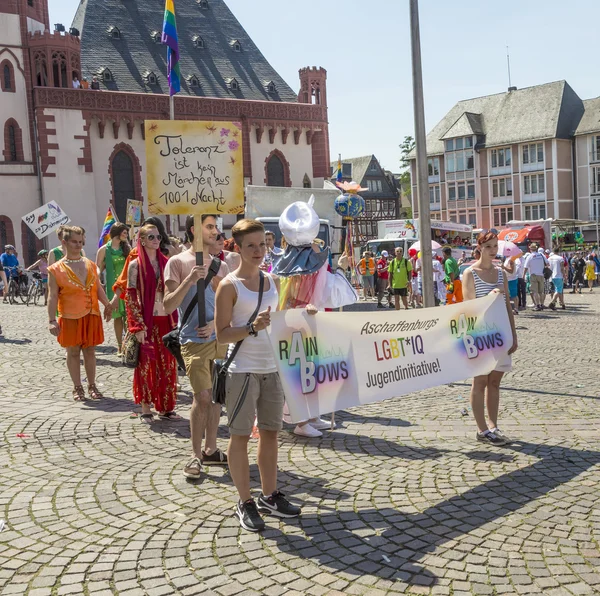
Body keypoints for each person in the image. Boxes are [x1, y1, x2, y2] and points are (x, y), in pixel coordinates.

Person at [215, 219, 302, 532]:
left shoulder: (271, 281)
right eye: (250, 246)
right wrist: (252, 327)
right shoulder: (229, 286)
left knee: (270, 434)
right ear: (237, 248)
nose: (257, 251)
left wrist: (304, 318)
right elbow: (222, 335)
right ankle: (245, 501)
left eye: (261, 245)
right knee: (239, 436)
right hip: (242, 371)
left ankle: (269, 494)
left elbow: (276, 323)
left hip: (270, 368)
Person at [164, 215, 229, 479]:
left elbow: (229, 306)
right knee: (202, 397)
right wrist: (189, 280)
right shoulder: (176, 262)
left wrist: (215, 323)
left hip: (218, 338)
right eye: (210, 227)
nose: (216, 232)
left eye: (216, 227)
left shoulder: (220, 265)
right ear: (194, 230)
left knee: (216, 398)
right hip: (191, 340)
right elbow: (168, 305)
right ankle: (194, 454)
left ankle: (211, 448)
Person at [462, 230, 518, 446]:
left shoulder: (501, 273)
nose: (493, 251)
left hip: (500, 333)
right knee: (480, 381)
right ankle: (481, 429)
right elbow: (469, 306)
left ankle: (493, 426)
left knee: (495, 381)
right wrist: (488, 297)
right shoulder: (470, 273)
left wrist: (513, 334)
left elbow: (507, 306)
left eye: (495, 247)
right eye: (488, 247)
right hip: (480, 334)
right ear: (479, 248)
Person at [47, 226, 113, 401]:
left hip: (91, 313)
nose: (78, 245)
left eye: (80, 241)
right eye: (74, 242)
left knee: (90, 351)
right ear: (64, 242)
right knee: (73, 352)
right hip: (69, 315)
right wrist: (52, 319)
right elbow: (52, 295)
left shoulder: (90, 264)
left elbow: (98, 287)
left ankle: (92, 385)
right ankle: (77, 387)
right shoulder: (55, 269)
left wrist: (107, 304)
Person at [125, 225, 178, 423]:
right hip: (147, 321)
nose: (156, 240)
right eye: (151, 237)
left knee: (167, 364)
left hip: (166, 319)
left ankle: (165, 407)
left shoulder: (167, 263)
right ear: (143, 240)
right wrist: (137, 326)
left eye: (158, 236)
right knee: (146, 364)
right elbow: (130, 297)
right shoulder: (135, 266)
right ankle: (146, 406)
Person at [97, 223, 130, 354]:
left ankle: (129, 344)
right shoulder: (104, 249)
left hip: (127, 286)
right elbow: (98, 266)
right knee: (118, 317)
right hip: (113, 287)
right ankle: (120, 345)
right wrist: (98, 279)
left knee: (129, 316)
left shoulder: (127, 248)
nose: (126, 235)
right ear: (117, 233)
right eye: (124, 233)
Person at [523, 244, 548, 310]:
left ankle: (537, 305)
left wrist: (523, 276)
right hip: (541, 275)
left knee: (535, 291)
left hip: (533, 275)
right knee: (541, 291)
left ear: (530, 249)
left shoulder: (530, 256)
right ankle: (542, 304)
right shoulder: (542, 255)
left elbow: (525, 267)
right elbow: (548, 264)